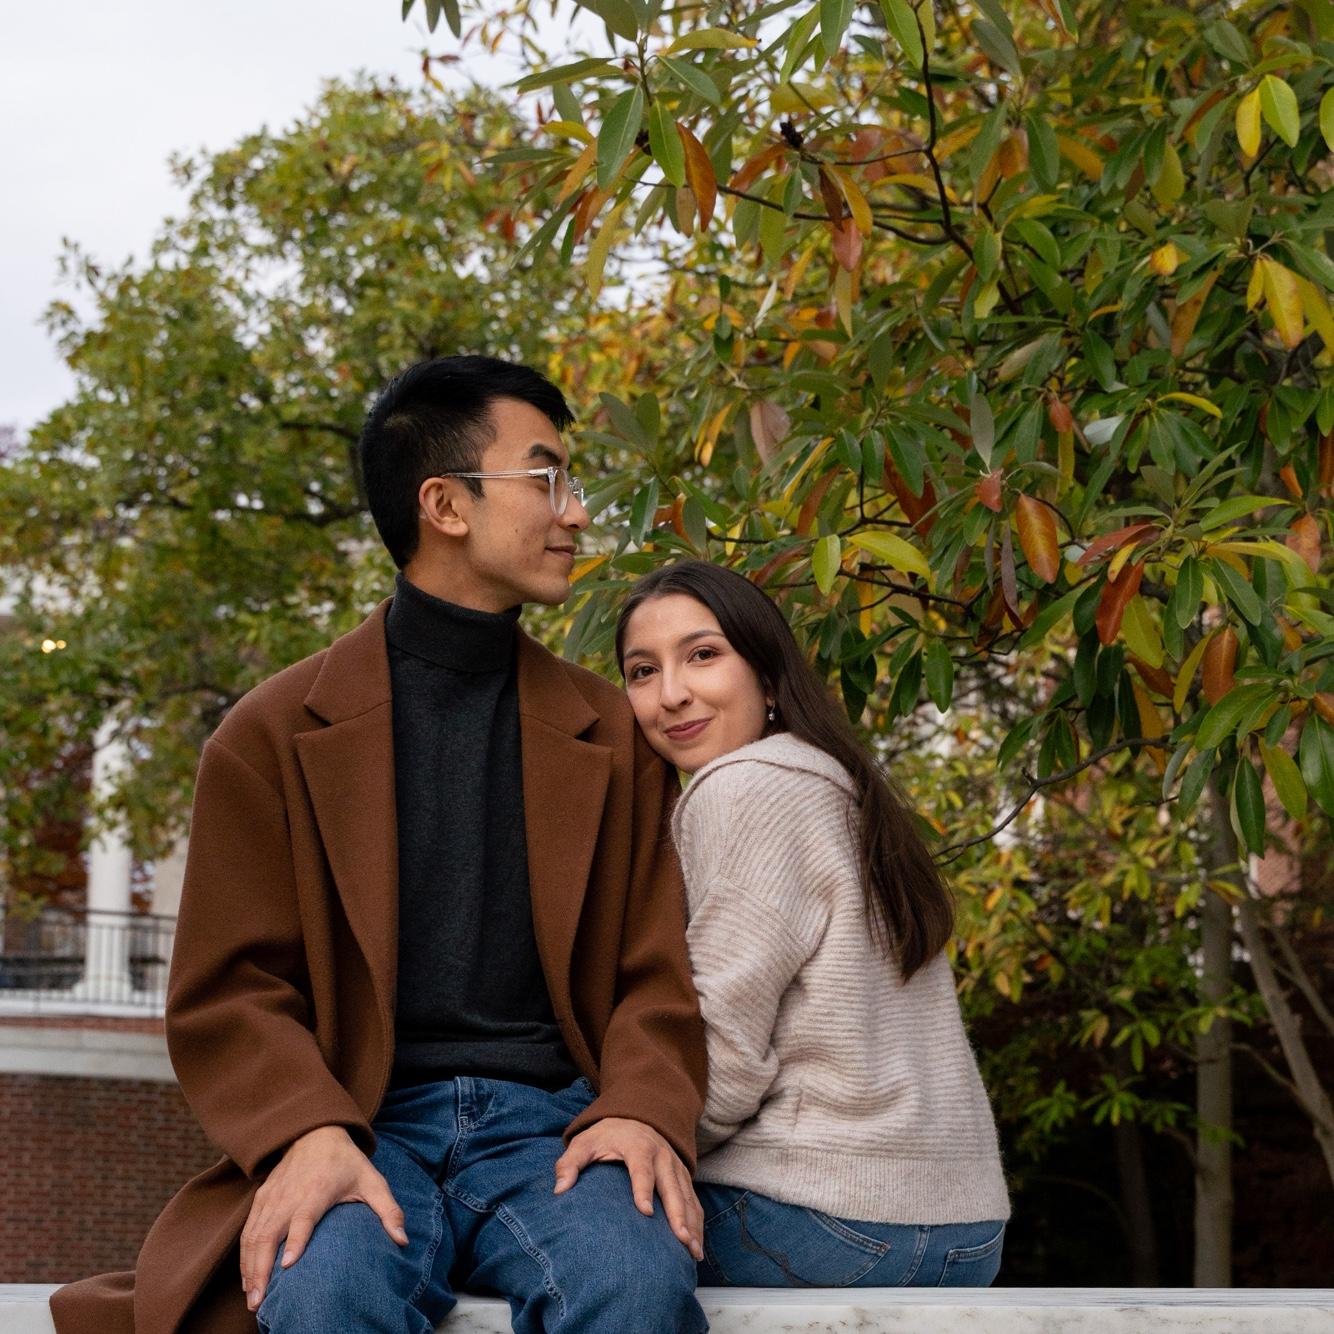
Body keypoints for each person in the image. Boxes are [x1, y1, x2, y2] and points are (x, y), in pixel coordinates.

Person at [52, 356, 708, 1334]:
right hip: (357, 1119)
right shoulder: (268, 735)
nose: (575, 512)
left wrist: (640, 1108)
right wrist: (304, 1128)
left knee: (633, 1279)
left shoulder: (613, 735)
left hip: (558, 1128)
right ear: (444, 505)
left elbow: (655, 976)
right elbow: (231, 991)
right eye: (546, 478)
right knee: (322, 1290)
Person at [615, 559, 1009, 1289]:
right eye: (643, 671)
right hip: (966, 1231)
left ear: (768, 678)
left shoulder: (742, 787)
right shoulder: (840, 784)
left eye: (702, 655)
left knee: (558, 1233)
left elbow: (721, 1062)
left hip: (822, 1215)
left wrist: (633, 1127)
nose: (671, 695)